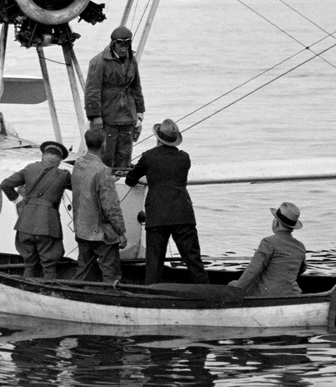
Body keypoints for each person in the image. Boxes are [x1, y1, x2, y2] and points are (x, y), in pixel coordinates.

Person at [125, 118, 208, 284]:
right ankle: (206, 292)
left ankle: (151, 294)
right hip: (182, 213)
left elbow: (130, 180)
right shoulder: (184, 158)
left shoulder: (148, 156)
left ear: (157, 138)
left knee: (154, 262)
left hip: (157, 214)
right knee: (193, 260)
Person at [0, 140, 73, 280]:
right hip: (47, 226)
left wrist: (18, 200)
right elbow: (81, 187)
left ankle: (26, 290)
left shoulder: (29, 168)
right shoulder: (63, 175)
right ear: (59, 161)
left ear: (43, 156)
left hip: (25, 224)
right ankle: (49, 293)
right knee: (49, 264)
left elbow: (5, 185)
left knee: (29, 264)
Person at [70, 127, 128, 283]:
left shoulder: (78, 164)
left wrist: (110, 179)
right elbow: (111, 206)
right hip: (101, 233)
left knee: (83, 271)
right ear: (104, 144)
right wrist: (121, 232)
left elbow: (87, 185)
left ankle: (76, 299)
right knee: (111, 275)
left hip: (82, 229)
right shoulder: (103, 170)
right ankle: (111, 301)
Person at [84, 24, 145, 169]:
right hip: (108, 115)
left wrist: (140, 111)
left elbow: (136, 86)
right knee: (106, 154)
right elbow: (92, 90)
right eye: (120, 44)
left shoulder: (132, 60)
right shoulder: (98, 61)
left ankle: (123, 176)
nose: (124, 48)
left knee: (125, 152)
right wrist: (95, 116)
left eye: (127, 44)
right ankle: (103, 180)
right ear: (113, 44)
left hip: (128, 115)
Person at [228, 203, 308, 298]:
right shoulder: (300, 246)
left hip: (266, 294)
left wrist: (236, 289)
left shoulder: (268, 242)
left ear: (276, 222)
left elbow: (253, 270)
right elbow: (301, 269)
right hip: (290, 294)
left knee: (232, 284)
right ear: (293, 227)